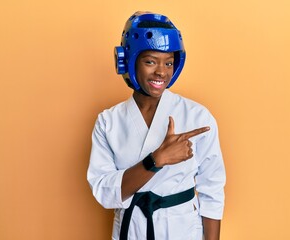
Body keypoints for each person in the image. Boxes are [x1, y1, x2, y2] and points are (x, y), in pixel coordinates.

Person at [87, 11, 226, 240]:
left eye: (169, 62)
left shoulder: (198, 116)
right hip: (132, 229)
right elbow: (104, 192)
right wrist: (156, 160)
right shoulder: (108, 122)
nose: (161, 72)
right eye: (150, 61)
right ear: (128, 61)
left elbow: (212, 192)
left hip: (182, 230)